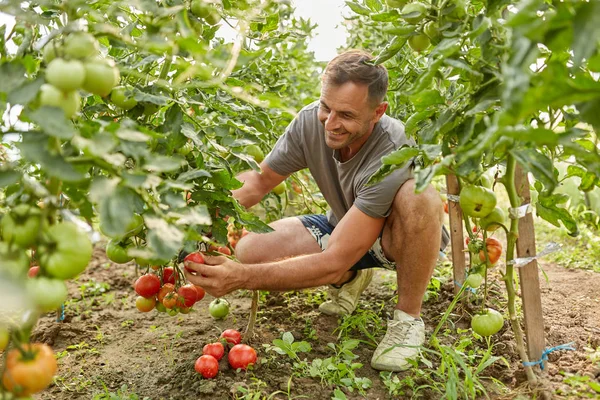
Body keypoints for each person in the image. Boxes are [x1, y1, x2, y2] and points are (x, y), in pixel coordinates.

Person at [184, 49, 449, 372]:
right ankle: (352, 278)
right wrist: (204, 211)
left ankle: (407, 319)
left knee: (420, 197)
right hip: (343, 226)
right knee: (251, 248)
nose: (331, 124)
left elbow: (333, 259)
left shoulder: (393, 149)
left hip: (393, 240)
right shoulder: (311, 121)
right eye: (327, 107)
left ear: (378, 111)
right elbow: (259, 180)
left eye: (347, 115)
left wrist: (241, 277)